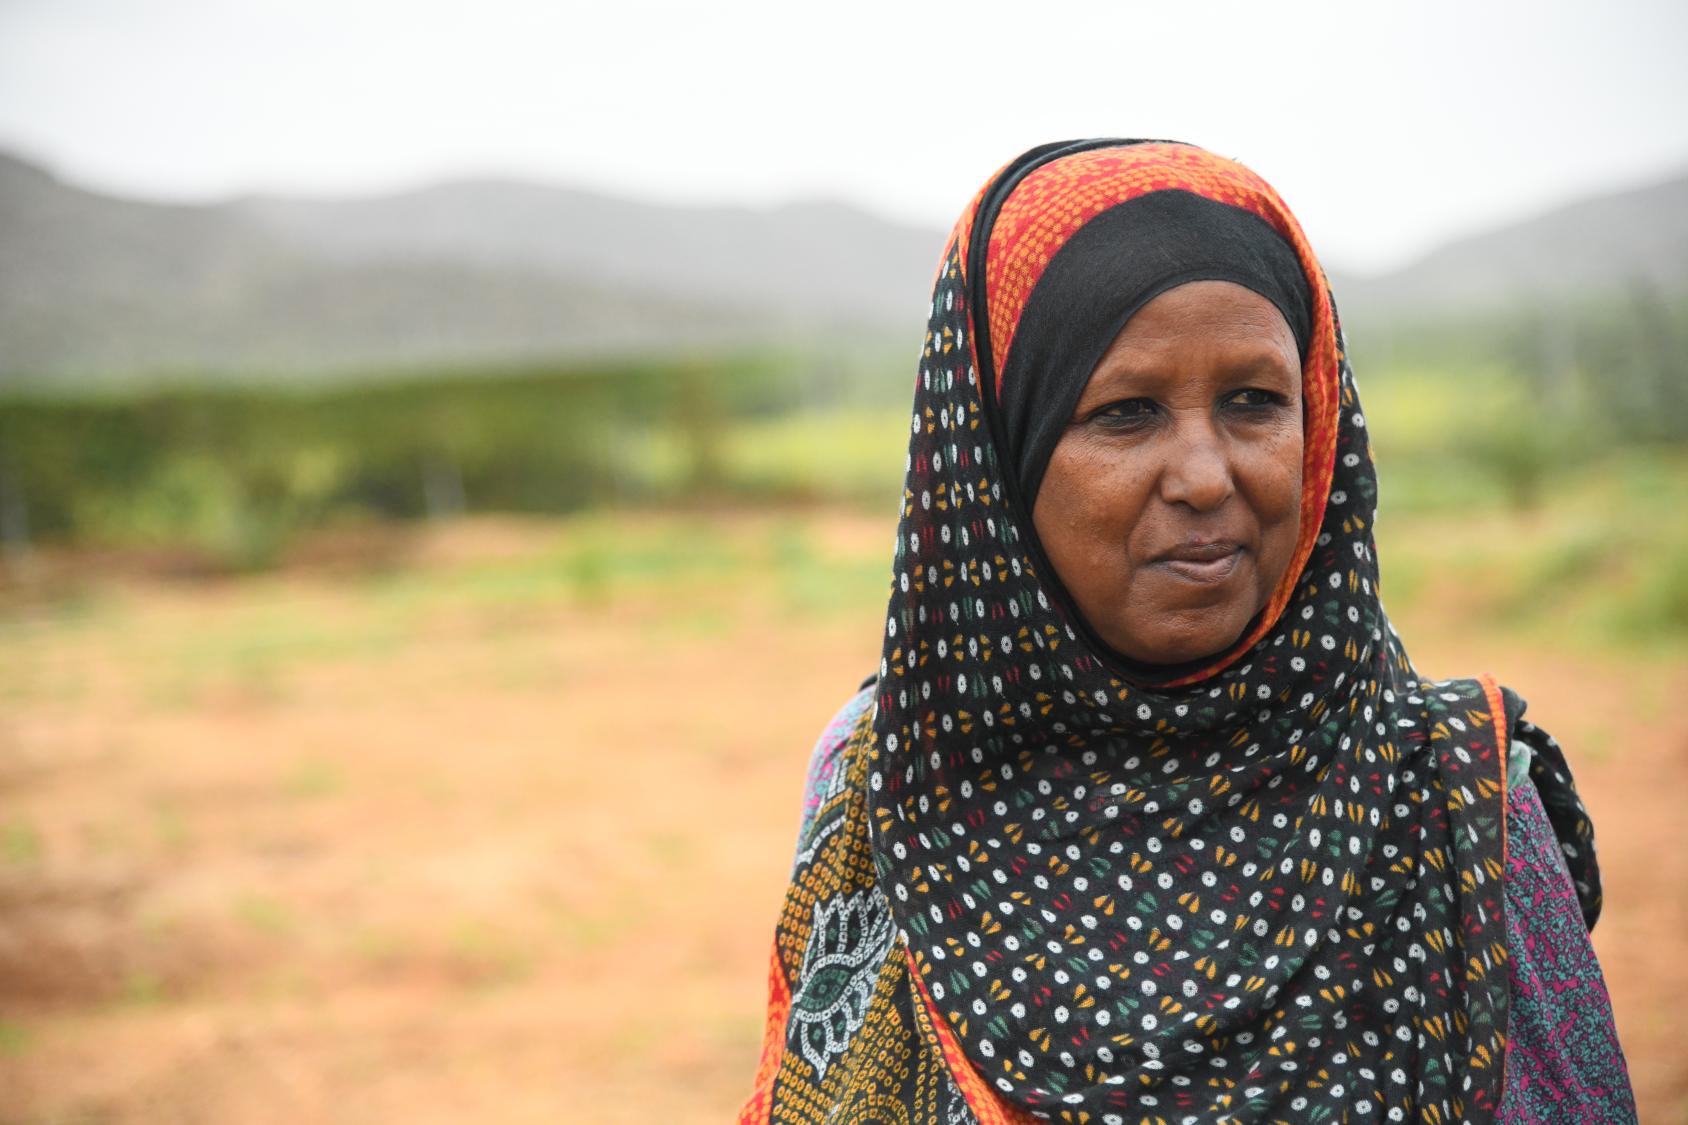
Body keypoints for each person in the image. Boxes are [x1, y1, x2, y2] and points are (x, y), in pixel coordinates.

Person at [739, 140, 1635, 1125]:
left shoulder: (1455, 796)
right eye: (1124, 413)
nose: (1206, 476)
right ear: (999, 457)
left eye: (1253, 402)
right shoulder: (891, 779)